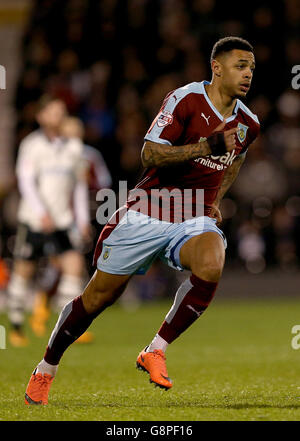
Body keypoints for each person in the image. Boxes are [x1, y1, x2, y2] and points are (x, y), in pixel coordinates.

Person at [24, 36, 260, 405]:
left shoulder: (248, 122)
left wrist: (215, 199)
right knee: (96, 299)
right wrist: (205, 147)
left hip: (193, 215)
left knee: (212, 261)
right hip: (148, 211)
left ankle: (156, 349)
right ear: (217, 67)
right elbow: (150, 154)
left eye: (251, 68)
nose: (248, 74)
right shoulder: (186, 100)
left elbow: (237, 158)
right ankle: (45, 368)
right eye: (240, 66)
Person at [7, 96, 91, 347]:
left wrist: (83, 219)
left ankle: (65, 327)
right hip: (34, 221)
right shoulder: (32, 145)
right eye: (53, 112)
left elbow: (78, 187)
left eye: (61, 112)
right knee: (24, 272)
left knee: (74, 267)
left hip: (62, 221)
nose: (58, 116)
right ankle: (16, 327)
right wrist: (40, 212)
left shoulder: (73, 148)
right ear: (41, 116)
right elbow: (26, 182)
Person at [29, 117, 112, 337]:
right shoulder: (52, 156)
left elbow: (104, 182)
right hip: (56, 218)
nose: (73, 137)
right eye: (69, 133)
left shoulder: (90, 155)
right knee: (64, 265)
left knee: (70, 267)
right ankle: (58, 317)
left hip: (81, 217)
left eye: (77, 133)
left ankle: (52, 313)